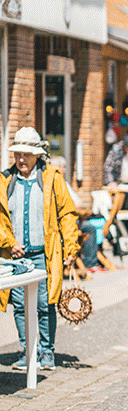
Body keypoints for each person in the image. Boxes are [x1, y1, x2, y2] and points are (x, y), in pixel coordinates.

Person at [0, 127, 80, 371]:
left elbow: (67, 214)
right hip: (16, 259)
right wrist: (8, 242)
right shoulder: (4, 180)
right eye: (18, 154)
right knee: (21, 306)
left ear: (37, 155)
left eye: (26, 154)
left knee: (46, 304)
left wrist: (70, 248)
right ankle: (28, 351)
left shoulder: (52, 178)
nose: (21, 159)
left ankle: (47, 351)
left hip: (45, 255)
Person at [51, 157, 103, 273]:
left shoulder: (63, 183)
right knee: (90, 228)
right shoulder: (59, 183)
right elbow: (74, 203)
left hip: (72, 220)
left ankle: (91, 261)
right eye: (63, 167)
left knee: (92, 225)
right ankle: (90, 262)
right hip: (64, 224)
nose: (64, 170)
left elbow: (77, 201)